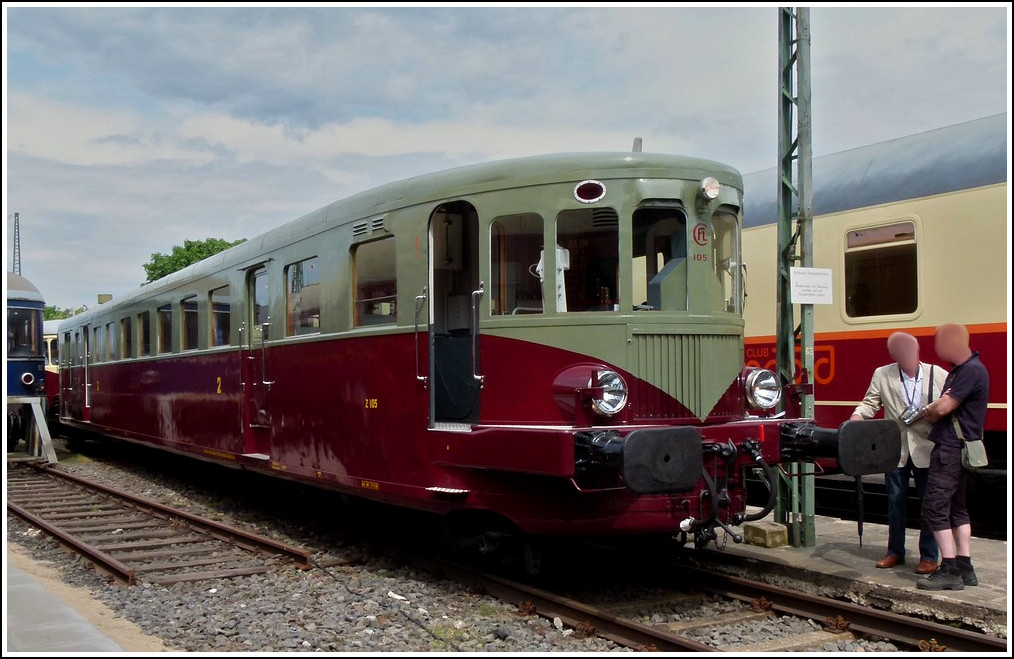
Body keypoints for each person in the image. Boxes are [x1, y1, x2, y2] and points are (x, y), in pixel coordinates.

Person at [851, 332, 947, 574]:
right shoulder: (883, 374)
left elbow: (951, 405)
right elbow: (870, 403)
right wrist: (856, 417)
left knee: (929, 503)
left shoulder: (938, 374)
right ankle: (895, 551)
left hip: (928, 447)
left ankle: (928, 555)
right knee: (895, 501)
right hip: (896, 448)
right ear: (892, 354)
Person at [917, 323, 990, 591]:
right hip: (963, 448)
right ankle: (965, 566)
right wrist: (938, 406)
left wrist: (934, 409)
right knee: (957, 508)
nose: (938, 347)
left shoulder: (968, 371)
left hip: (950, 448)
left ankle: (948, 569)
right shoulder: (970, 369)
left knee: (934, 507)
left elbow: (943, 407)